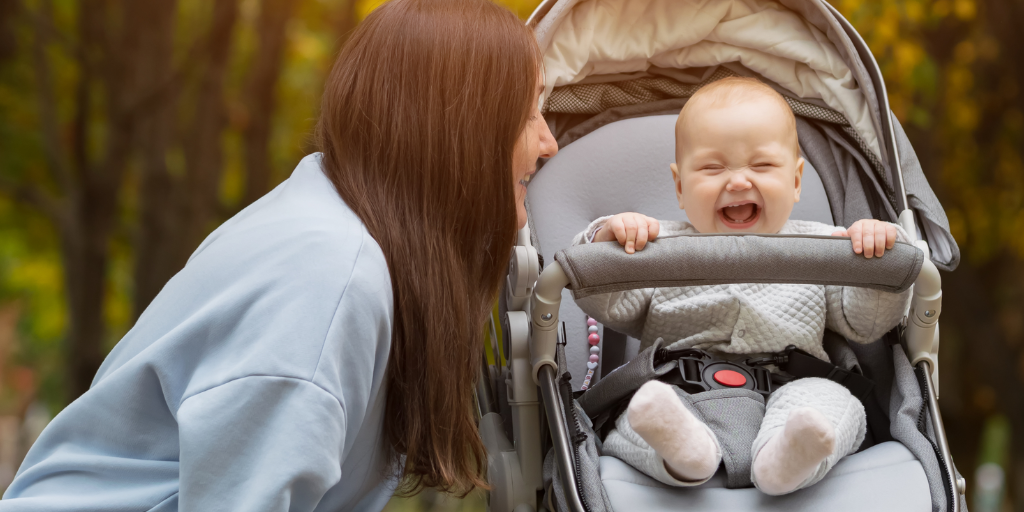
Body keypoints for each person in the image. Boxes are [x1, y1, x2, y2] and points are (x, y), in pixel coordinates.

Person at [1, 0, 557, 510]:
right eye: (531, 113)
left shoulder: (335, 233)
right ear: (461, 129)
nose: (549, 144)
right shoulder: (328, 285)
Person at [572, 77, 907, 495]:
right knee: (642, 410)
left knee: (836, 405)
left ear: (797, 180)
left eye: (762, 165)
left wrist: (878, 255)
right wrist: (608, 240)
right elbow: (608, 300)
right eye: (713, 168)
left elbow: (866, 322)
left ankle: (789, 456)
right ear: (679, 186)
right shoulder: (661, 247)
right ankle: (685, 453)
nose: (737, 181)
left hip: (792, 388)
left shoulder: (823, 246)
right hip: (685, 389)